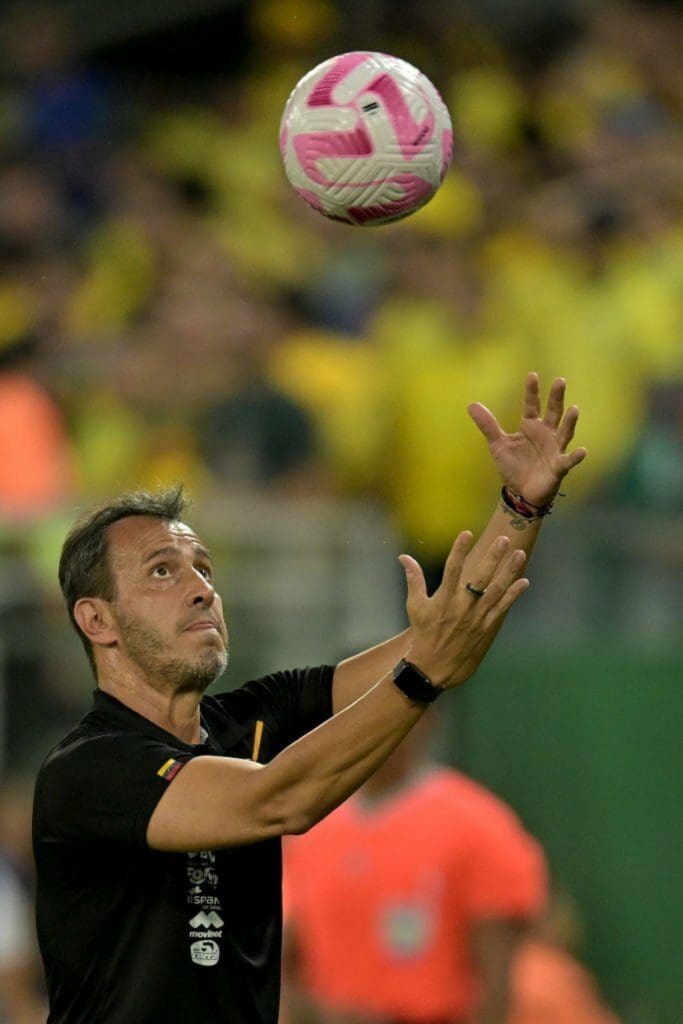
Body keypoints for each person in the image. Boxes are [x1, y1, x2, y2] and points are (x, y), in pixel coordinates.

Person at [32, 373, 586, 1024]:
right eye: (162, 570)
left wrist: (518, 508)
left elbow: (439, 641)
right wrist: (422, 673)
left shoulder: (253, 719)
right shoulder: (88, 769)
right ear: (97, 621)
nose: (201, 589)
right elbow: (279, 798)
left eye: (203, 569)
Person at [280, 716, 548, 1024]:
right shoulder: (310, 827)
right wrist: (317, 1014)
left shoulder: (480, 826)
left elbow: (498, 987)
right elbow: (283, 960)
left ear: (425, 719)